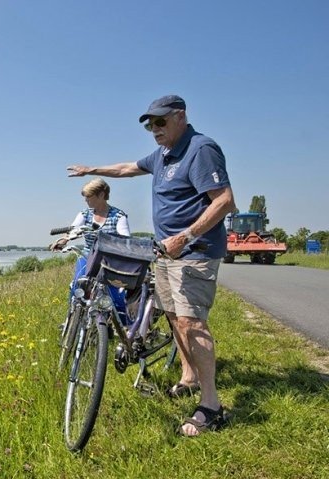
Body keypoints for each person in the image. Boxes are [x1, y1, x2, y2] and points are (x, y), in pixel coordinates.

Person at [67, 94, 236, 437]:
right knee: (174, 318)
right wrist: (92, 170)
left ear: (180, 117)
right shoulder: (162, 155)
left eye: (160, 122)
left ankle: (212, 406)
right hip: (166, 253)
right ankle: (188, 377)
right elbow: (129, 168)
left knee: (191, 322)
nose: (154, 129)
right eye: (149, 124)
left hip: (194, 251)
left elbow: (225, 202)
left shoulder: (200, 149)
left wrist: (185, 236)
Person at [50, 178, 131, 322]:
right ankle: (72, 320)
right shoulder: (85, 214)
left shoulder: (118, 216)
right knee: (78, 286)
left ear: (100, 195)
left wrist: (117, 243)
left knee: (115, 293)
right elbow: (74, 230)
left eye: (88, 197)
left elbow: (125, 237)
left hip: (109, 260)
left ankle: (124, 327)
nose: (86, 200)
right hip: (88, 257)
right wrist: (64, 240)